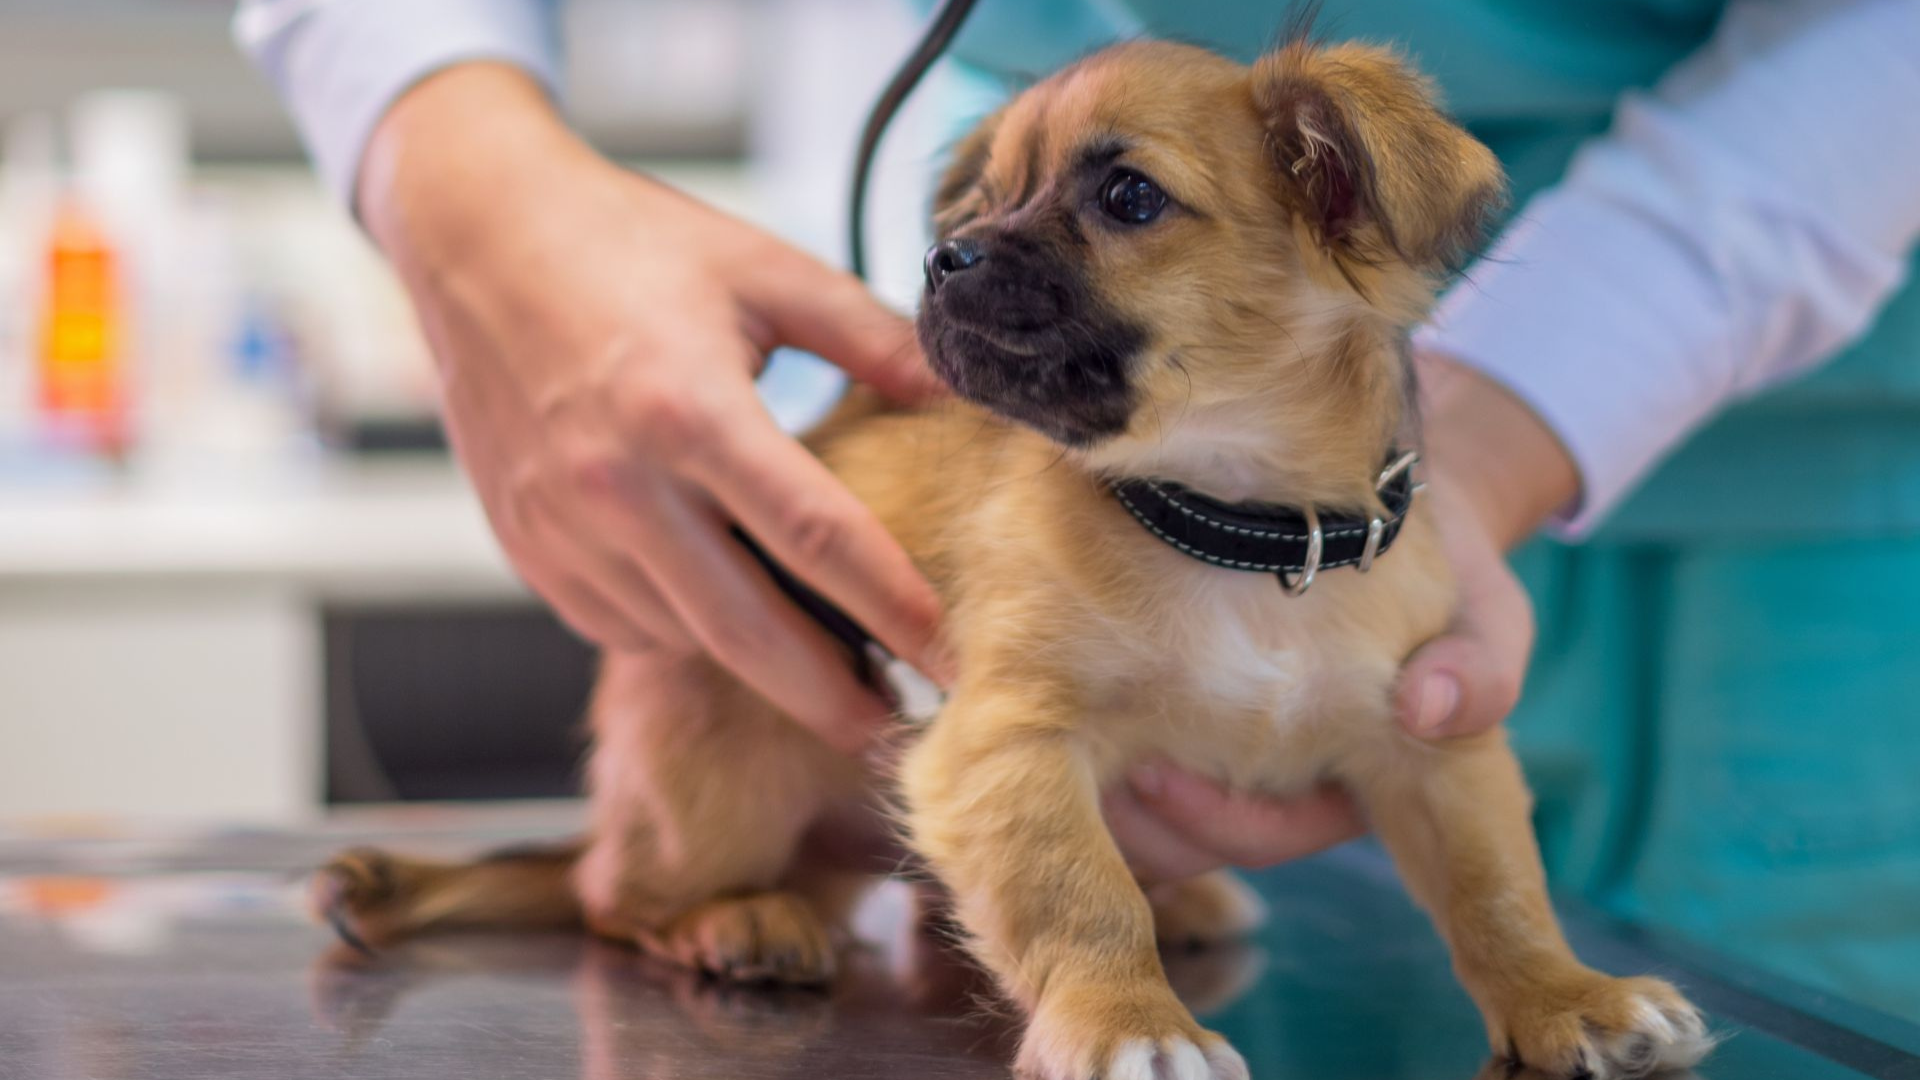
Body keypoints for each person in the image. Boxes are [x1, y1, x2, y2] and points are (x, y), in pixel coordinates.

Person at [239, 0, 1920, 1018]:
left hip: (1779, 487)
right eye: (977, 207)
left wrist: (1515, 403)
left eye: (1116, 201)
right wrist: (458, 171)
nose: (977, 250)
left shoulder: (1337, 185)